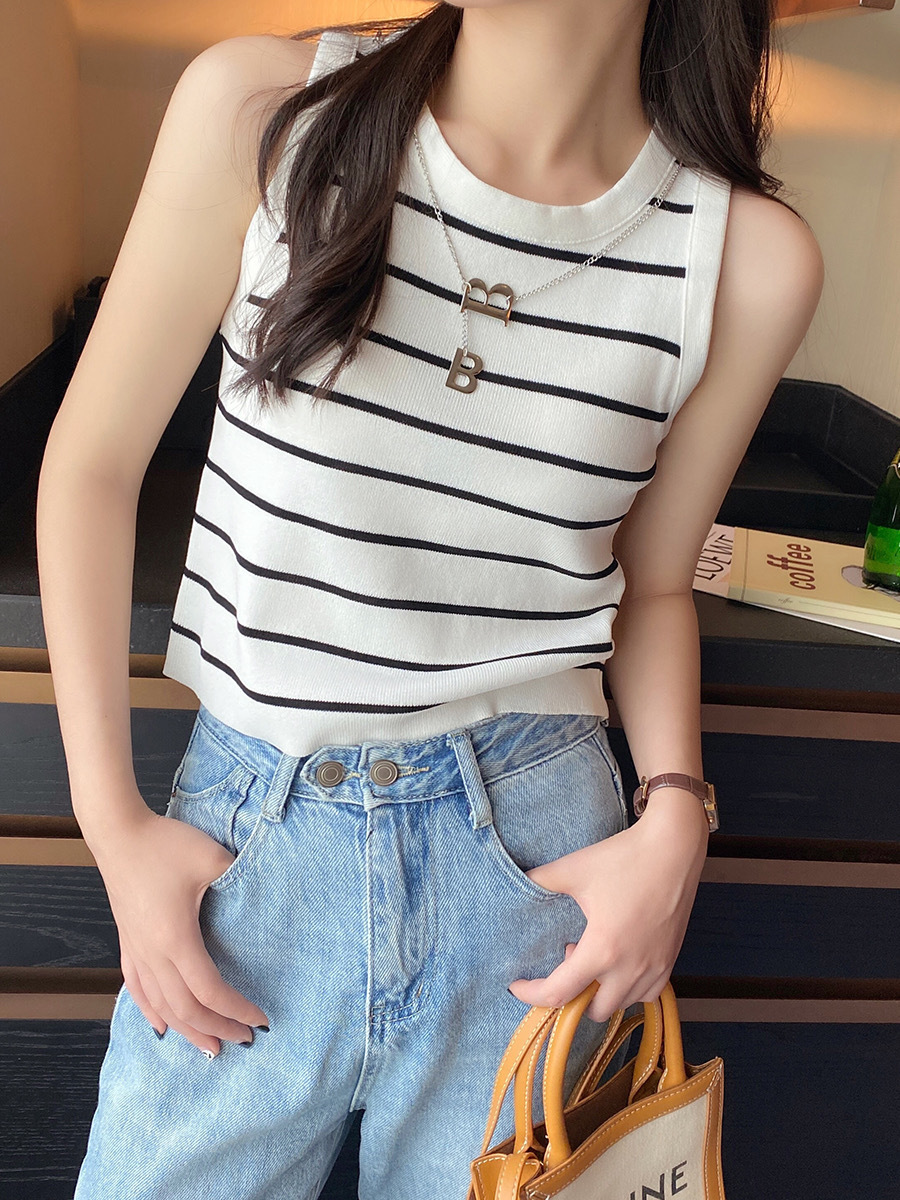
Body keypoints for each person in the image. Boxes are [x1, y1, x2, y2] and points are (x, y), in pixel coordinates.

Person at [38, 2, 823, 1197]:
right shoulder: (267, 113)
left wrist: (676, 818)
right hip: (251, 852)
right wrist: (112, 828)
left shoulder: (747, 257)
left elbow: (655, 580)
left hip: (536, 876)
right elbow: (91, 466)